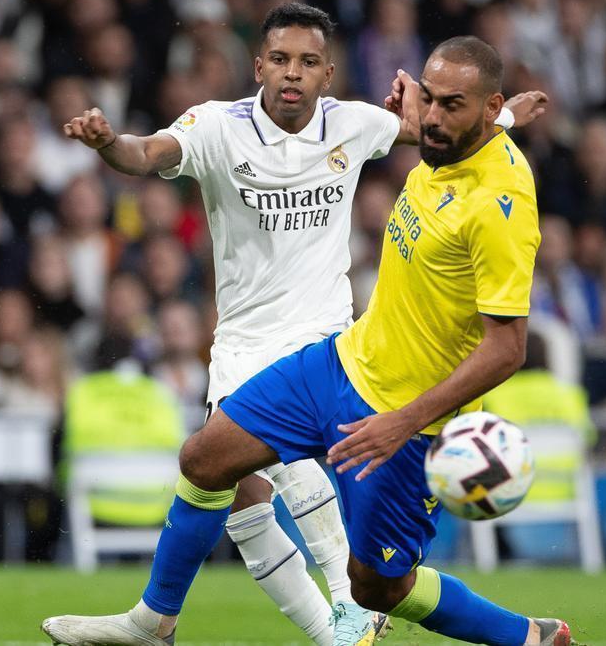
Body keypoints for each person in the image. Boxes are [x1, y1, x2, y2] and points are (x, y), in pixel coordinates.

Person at [43, 35, 568, 646]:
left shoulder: (499, 202)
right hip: (340, 363)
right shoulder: (438, 144)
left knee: (378, 588)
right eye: (429, 99)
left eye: (452, 106)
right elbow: (146, 152)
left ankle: (528, 638)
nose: (430, 117)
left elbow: (508, 349)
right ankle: (154, 623)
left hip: (402, 420)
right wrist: (498, 115)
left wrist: (401, 422)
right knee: (205, 461)